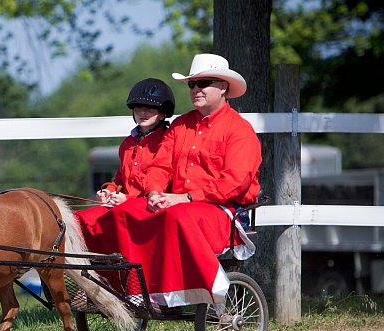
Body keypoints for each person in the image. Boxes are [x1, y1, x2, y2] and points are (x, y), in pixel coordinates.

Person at [84, 53, 262, 307]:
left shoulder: (239, 131)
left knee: (174, 216)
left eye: (204, 83)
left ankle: (193, 291)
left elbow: (234, 183)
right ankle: (127, 289)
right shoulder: (181, 125)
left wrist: (186, 197)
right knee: (126, 209)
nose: (196, 89)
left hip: (223, 211)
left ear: (223, 87)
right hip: (179, 204)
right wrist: (155, 192)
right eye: (192, 84)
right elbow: (160, 167)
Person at [74, 78, 175, 255]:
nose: (142, 113)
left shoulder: (167, 142)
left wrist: (127, 201)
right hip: (124, 207)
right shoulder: (127, 144)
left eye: (149, 109)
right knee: (79, 221)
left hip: (150, 210)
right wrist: (110, 190)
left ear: (162, 113)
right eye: (138, 108)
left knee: (108, 222)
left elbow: (161, 186)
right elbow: (120, 178)